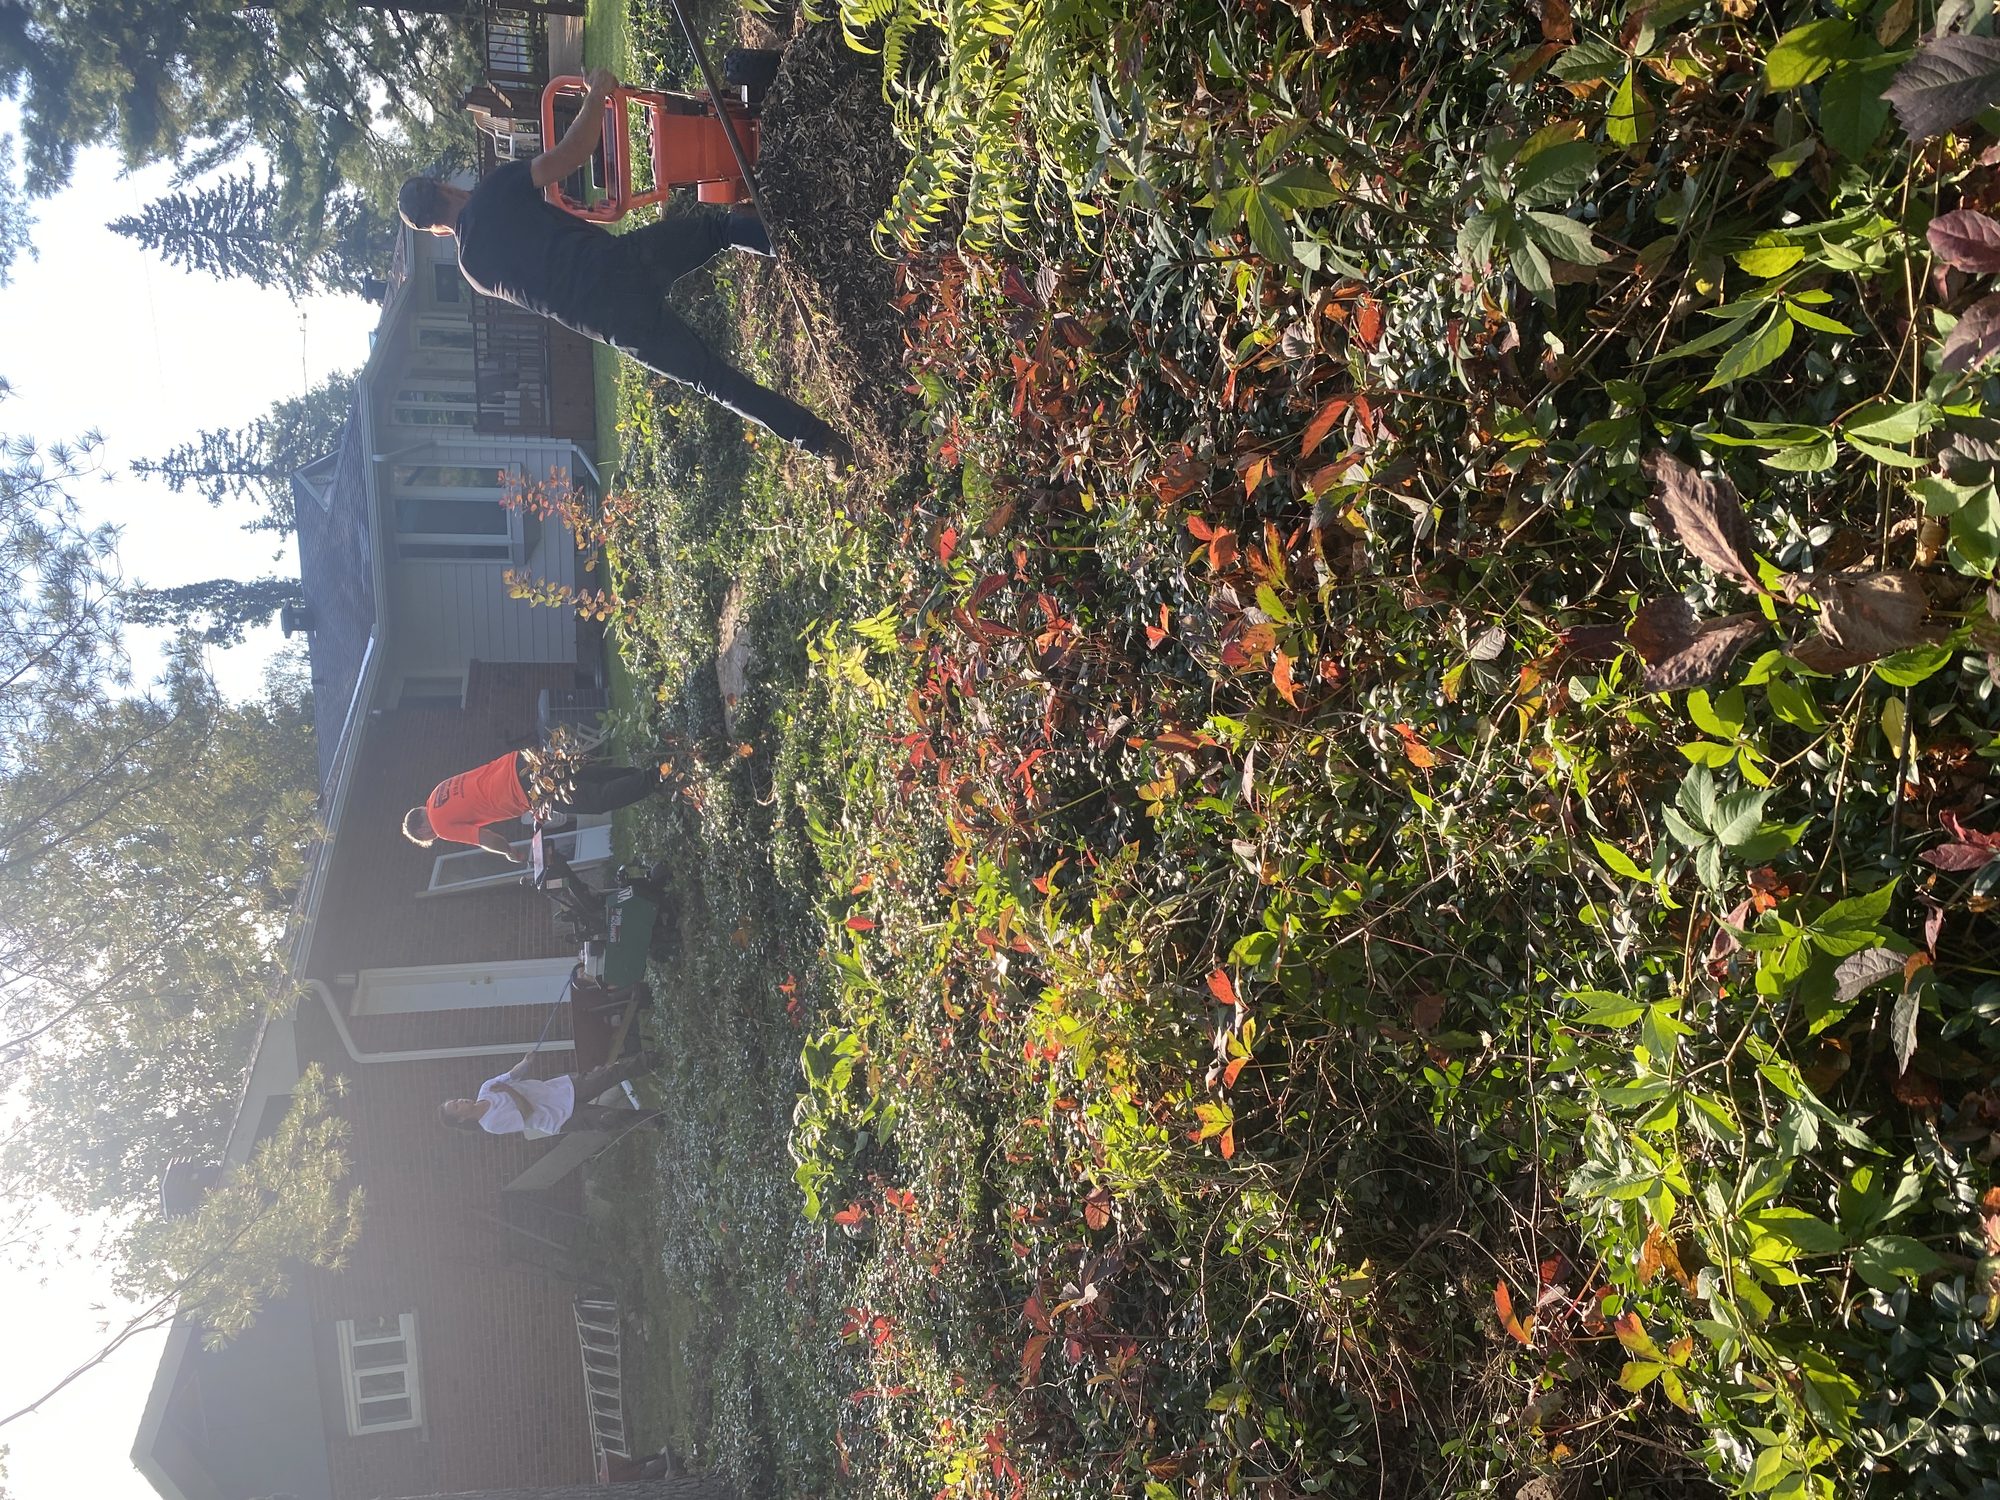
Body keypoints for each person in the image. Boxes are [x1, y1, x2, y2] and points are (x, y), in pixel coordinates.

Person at [396, 67, 852, 464]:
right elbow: (570, 156)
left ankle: (821, 443)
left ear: (433, 230)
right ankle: (810, 251)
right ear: (443, 187)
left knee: (714, 381)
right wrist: (596, 94)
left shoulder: (473, 271)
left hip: (614, 325)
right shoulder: (492, 192)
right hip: (624, 266)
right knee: (718, 230)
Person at [400, 749, 666, 861]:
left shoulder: (440, 825)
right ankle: (643, 774)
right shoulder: (438, 791)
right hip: (520, 761)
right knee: (584, 776)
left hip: (524, 791)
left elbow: (485, 838)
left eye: (428, 838)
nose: (433, 837)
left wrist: (507, 851)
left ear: (422, 831)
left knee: (595, 800)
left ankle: (658, 776)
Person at [439, 1049, 665, 1137]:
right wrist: (508, 1090)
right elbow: (526, 1113)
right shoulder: (492, 1124)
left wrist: (525, 1062)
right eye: (457, 1106)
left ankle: (654, 1059)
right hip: (559, 1118)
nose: (461, 1100)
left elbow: (512, 1074)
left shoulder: (486, 1088)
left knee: (608, 1075)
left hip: (562, 1089)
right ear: (460, 1118)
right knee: (608, 1119)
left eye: (456, 1099)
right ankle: (655, 1120)